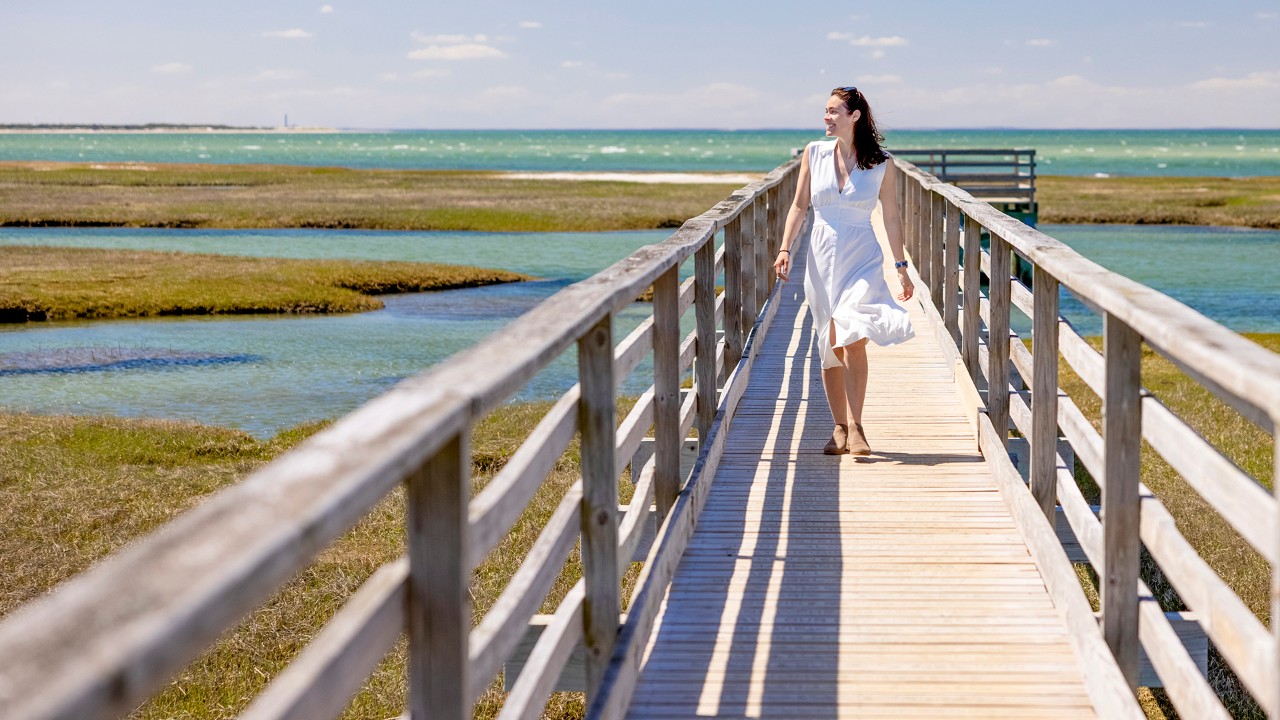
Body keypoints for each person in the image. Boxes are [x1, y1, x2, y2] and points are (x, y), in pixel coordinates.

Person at [772, 86, 915, 456]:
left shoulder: (881, 163)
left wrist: (900, 267)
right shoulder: (814, 153)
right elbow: (799, 205)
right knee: (828, 342)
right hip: (819, 258)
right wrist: (785, 248)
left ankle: (857, 426)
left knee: (853, 335)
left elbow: (892, 217)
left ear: (854, 116)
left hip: (862, 256)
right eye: (826, 110)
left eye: (834, 111)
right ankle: (838, 427)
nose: (827, 116)